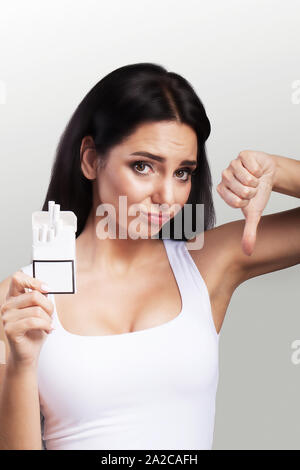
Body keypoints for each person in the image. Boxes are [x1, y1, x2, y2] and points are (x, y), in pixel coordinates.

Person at [0, 63, 299, 450]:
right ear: (91, 159)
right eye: (143, 166)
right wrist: (21, 366)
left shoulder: (207, 265)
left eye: (182, 173)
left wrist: (279, 171)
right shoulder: (20, 299)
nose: (168, 197)